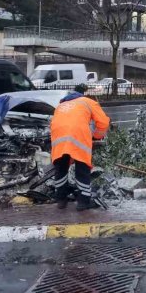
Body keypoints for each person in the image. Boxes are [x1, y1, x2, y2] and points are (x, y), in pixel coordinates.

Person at [50, 83, 110, 211]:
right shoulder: (87, 102)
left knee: (61, 166)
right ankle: (83, 202)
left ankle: (61, 199)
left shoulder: (61, 105)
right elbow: (103, 122)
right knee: (82, 167)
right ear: (83, 94)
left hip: (58, 134)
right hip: (77, 133)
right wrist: (97, 136)